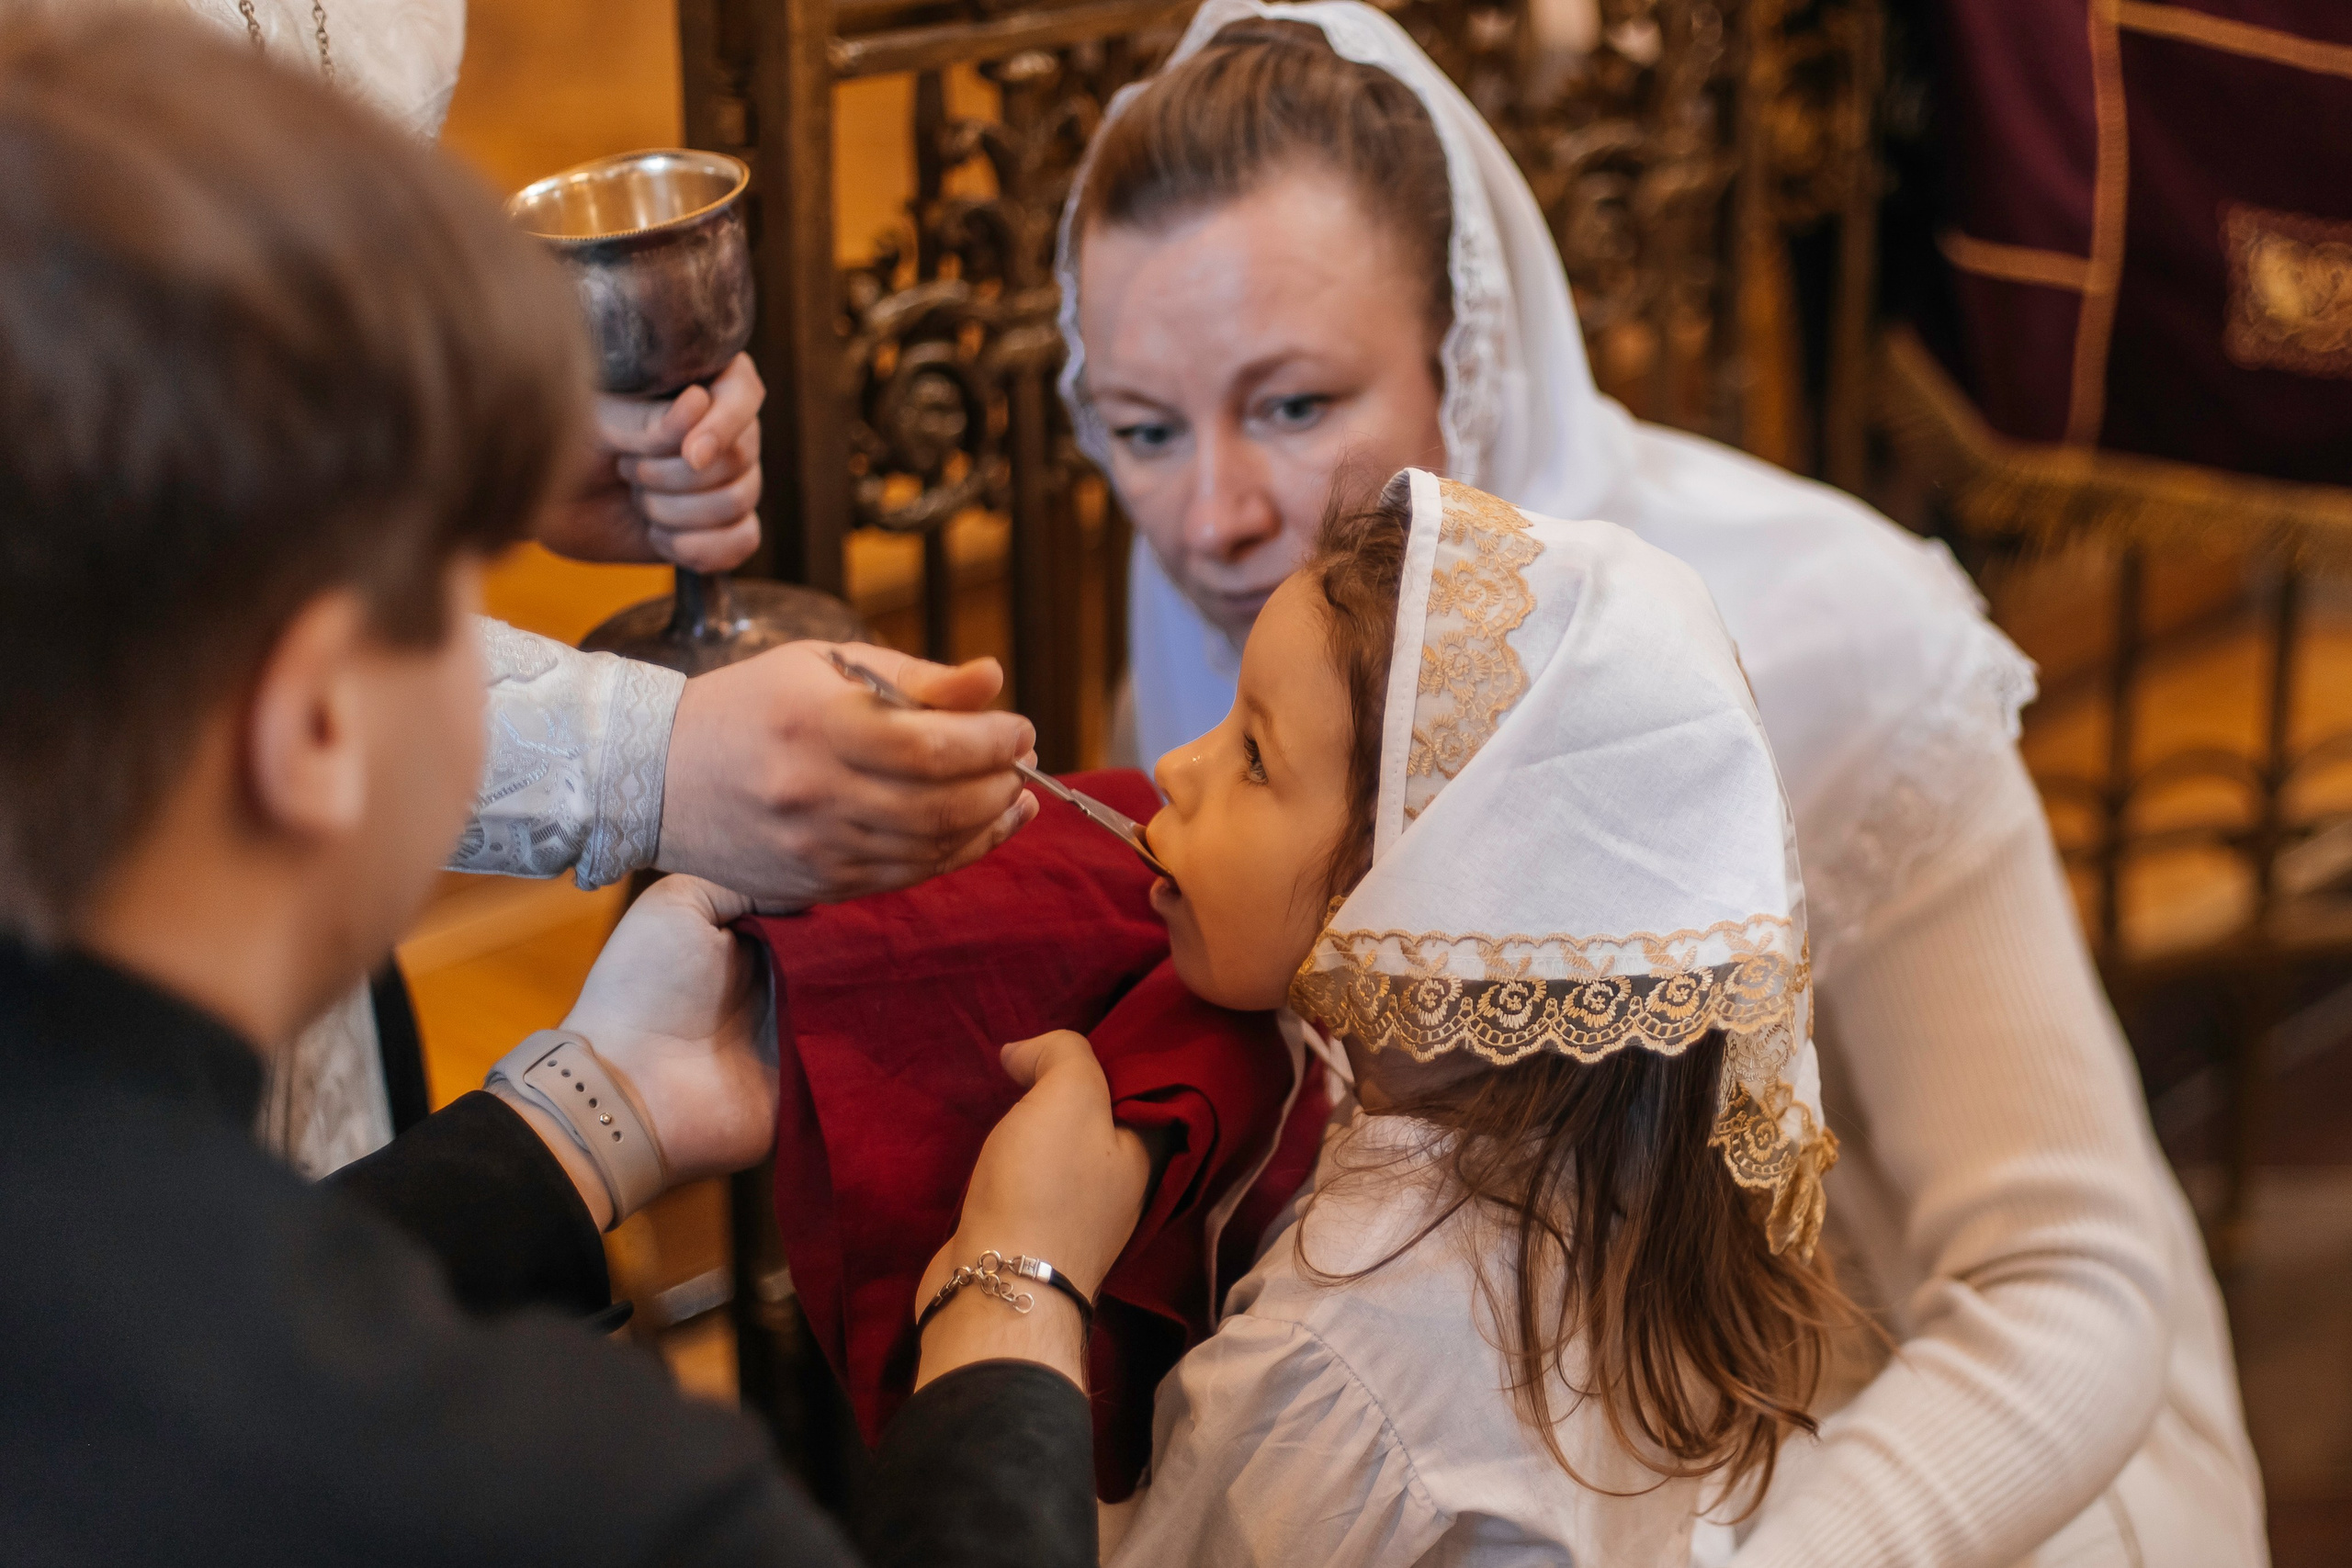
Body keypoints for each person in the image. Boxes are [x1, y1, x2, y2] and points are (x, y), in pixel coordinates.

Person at [1057, 6, 2266, 1565]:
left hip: (1883, 1462)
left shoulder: (1828, 639)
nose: (1212, 518)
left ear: (1464, 354)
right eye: (1145, 430)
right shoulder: (1208, 682)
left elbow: (2072, 1282)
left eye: (1296, 406)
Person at [0, 18, 1128, 1562]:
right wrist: (1014, 1291)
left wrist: (590, 1111)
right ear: (314, 713)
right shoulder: (570, 1493)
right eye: (451, 577)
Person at [160, 0, 1038, 1177]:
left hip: (305, 939)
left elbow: (248, 428)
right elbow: (102, 597)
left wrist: (497, 471)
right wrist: (645, 759)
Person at [1056, 469, 1838, 1563]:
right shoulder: (1620, 1187)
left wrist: (1017, 1274)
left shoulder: (1343, 1347)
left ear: (1433, 885)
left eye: (1253, 759)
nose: (1175, 768)